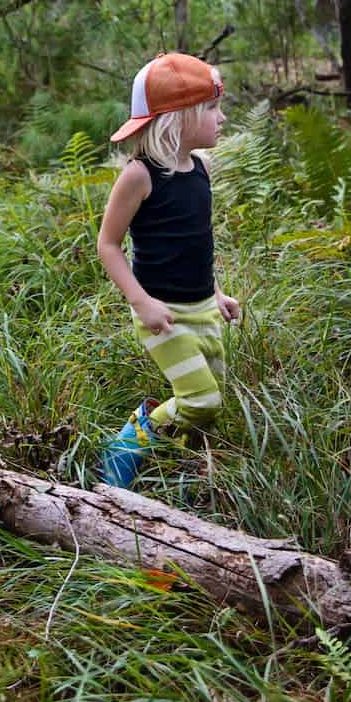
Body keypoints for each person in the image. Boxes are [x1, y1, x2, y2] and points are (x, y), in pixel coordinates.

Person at [96, 52, 240, 489]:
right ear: (178, 117)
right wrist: (143, 304)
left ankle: (178, 474)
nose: (223, 118)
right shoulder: (139, 176)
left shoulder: (201, 168)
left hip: (202, 308)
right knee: (201, 400)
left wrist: (216, 292)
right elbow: (108, 245)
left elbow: (196, 243)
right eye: (212, 108)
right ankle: (130, 439)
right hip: (163, 315)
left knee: (207, 407)